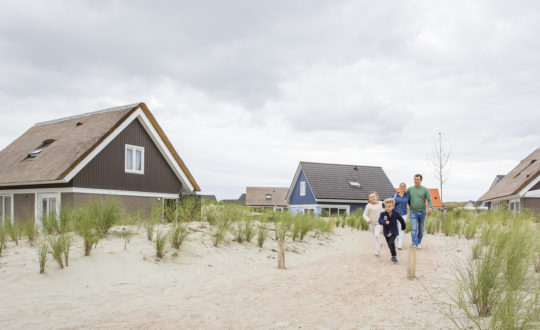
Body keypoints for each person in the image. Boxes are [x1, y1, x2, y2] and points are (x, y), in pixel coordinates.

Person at [407, 174, 432, 248]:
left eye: (417, 179)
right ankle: (415, 244)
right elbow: (407, 199)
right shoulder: (410, 189)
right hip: (413, 212)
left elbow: (430, 200)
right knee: (414, 228)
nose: (416, 181)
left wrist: (430, 208)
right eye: (415, 179)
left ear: (420, 180)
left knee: (421, 230)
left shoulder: (425, 189)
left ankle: (418, 242)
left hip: (422, 212)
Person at [378, 198, 406, 263]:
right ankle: (393, 254)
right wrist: (384, 222)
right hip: (386, 232)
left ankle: (394, 256)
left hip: (394, 231)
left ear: (393, 207)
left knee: (391, 242)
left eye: (389, 207)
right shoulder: (383, 214)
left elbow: (401, 220)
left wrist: (403, 226)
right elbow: (380, 221)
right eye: (386, 207)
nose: (387, 208)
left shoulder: (396, 213)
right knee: (390, 245)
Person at [363, 191, 384, 257]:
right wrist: (368, 219)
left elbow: (383, 210)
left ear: (377, 197)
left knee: (377, 235)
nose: (372, 198)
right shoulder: (368, 206)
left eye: (373, 197)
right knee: (375, 235)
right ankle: (380, 243)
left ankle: (377, 250)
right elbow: (364, 214)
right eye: (370, 197)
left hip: (379, 223)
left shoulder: (380, 203)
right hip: (371, 223)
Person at [392, 183, 410, 250]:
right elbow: (391, 204)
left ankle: (400, 245)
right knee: (395, 229)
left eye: (403, 186)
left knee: (401, 229)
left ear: (405, 188)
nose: (402, 188)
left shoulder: (407, 196)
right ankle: (396, 242)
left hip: (404, 214)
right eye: (401, 186)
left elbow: (410, 204)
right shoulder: (394, 195)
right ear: (399, 187)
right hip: (395, 214)